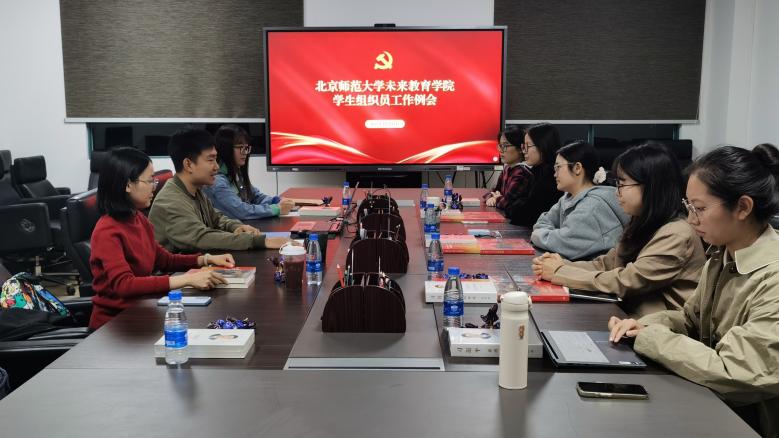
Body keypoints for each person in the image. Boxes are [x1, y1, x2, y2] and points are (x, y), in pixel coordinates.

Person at [608, 144, 779, 437]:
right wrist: (645, 325)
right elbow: (691, 320)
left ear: (743, 207)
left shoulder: (772, 277)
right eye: (689, 207)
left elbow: (737, 374)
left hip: (750, 422)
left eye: (699, 209)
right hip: (712, 402)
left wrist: (652, 338)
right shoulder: (722, 255)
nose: (690, 219)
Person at [531, 142, 705, 317]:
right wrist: (561, 265)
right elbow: (607, 264)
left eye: (622, 184)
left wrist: (560, 272)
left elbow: (626, 281)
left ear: (651, 186)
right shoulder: (642, 222)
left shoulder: (676, 233)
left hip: (661, 327)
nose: (616, 192)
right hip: (631, 317)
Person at [89, 147, 234, 330]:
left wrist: (206, 259)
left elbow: (164, 259)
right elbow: (124, 285)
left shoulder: (138, 218)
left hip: (142, 313)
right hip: (114, 327)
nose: (154, 186)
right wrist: (187, 279)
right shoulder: (107, 230)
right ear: (127, 185)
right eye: (150, 180)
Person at [149, 128, 289, 252]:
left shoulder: (195, 190)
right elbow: (201, 238)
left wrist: (235, 226)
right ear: (188, 164)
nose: (216, 167)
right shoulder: (171, 201)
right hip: (176, 270)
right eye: (210, 160)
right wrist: (259, 241)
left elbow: (216, 218)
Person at [530, 140, 629, 260]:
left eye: (558, 167)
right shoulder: (568, 198)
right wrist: (548, 234)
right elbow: (543, 222)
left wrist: (540, 234)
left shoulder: (592, 206)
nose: (555, 174)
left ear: (577, 168)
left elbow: (564, 243)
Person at [203, 124, 294, 220]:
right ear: (226, 148)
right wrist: (276, 209)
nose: (245, 152)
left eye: (246, 148)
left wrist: (276, 201)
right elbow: (241, 211)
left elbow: (255, 196)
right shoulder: (217, 180)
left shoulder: (236, 172)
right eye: (240, 147)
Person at [504, 123, 563, 226]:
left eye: (528, 146)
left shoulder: (551, 176)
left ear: (542, 146)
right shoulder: (537, 171)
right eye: (523, 146)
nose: (524, 151)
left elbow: (523, 215)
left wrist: (515, 206)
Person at [485, 125, 533, 210]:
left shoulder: (522, 173)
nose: (500, 150)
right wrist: (493, 197)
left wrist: (496, 198)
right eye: (500, 146)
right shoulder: (507, 168)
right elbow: (492, 192)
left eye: (505, 146)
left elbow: (509, 203)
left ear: (520, 148)